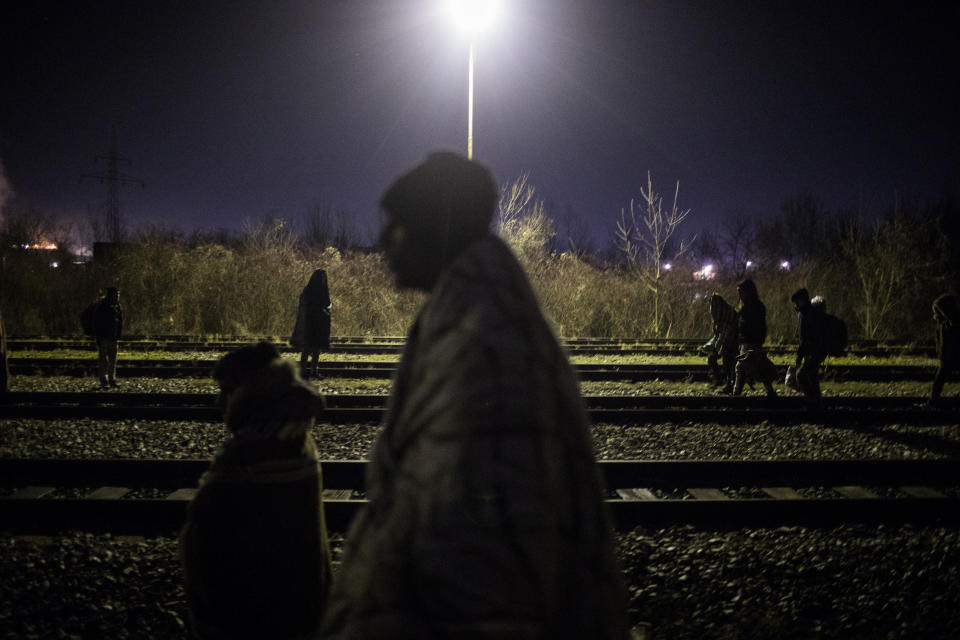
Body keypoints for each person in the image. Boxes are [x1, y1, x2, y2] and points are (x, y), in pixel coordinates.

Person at [321, 151, 629, 639]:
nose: (383, 240)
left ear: (432, 229)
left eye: (396, 224)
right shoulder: (480, 314)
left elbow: (484, 571)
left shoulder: (483, 338)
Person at [180, 341, 331, 640]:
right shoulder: (293, 436)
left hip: (254, 613)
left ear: (248, 390)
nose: (219, 401)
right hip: (299, 603)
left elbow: (213, 533)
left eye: (226, 389)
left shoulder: (252, 451)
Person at [733, 279, 777, 397]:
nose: (740, 295)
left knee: (741, 366)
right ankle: (769, 390)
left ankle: (736, 393)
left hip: (748, 342)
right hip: (753, 342)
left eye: (741, 292)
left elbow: (747, 326)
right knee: (758, 366)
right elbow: (762, 327)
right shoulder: (758, 306)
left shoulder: (748, 308)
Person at [291, 268, 332, 379]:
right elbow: (308, 306)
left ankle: (313, 371)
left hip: (319, 324)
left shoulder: (320, 290)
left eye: (324, 277)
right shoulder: (310, 291)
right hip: (310, 324)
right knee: (307, 349)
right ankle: (303, 372)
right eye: (321, 277)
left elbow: (327, 303)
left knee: (316, 349)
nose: (323, 280)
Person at [791, 287, 827, 409]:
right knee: (812, 377)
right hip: (815, 351)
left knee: (801, 375)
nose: (796, 305)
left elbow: (807, 338)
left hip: (815, 352)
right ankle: (817, 404)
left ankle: (812, 401)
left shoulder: (808, 314)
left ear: (802, 301)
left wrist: (801, 355)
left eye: (797, 302)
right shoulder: (805, 313)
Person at [929, 293, 960, 407]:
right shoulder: (943, 324)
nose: (935, 314)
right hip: (948, 357)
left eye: (937, 311)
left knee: (939, 380)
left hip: (951, 356)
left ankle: (933, 401)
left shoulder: (953, 324)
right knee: (939, 380)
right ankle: (933, 400)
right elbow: (940, 341)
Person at [702, 293, 738, 393]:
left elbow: (726, 333)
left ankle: (729, 385)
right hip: (728, 341)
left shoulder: (726, 314)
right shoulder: (721, 312)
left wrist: (720, 348)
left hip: (733, 342)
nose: (712, 309)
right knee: (713, 358)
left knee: (728, 362)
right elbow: (719, 334)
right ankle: (720, 381)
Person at [92, 287, 123, 388]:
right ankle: (105, 380)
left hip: (112, 337)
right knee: (104, 361)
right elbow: (97, 323)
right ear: (111, 295)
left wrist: (118, 335)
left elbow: (120, 322)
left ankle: (110, 379)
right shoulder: (103, 306)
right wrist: (99, 337)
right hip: (104, 337)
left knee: (111, 360)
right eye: (116, 295)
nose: (117, 297)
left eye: (118, 295)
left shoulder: (116, 306)